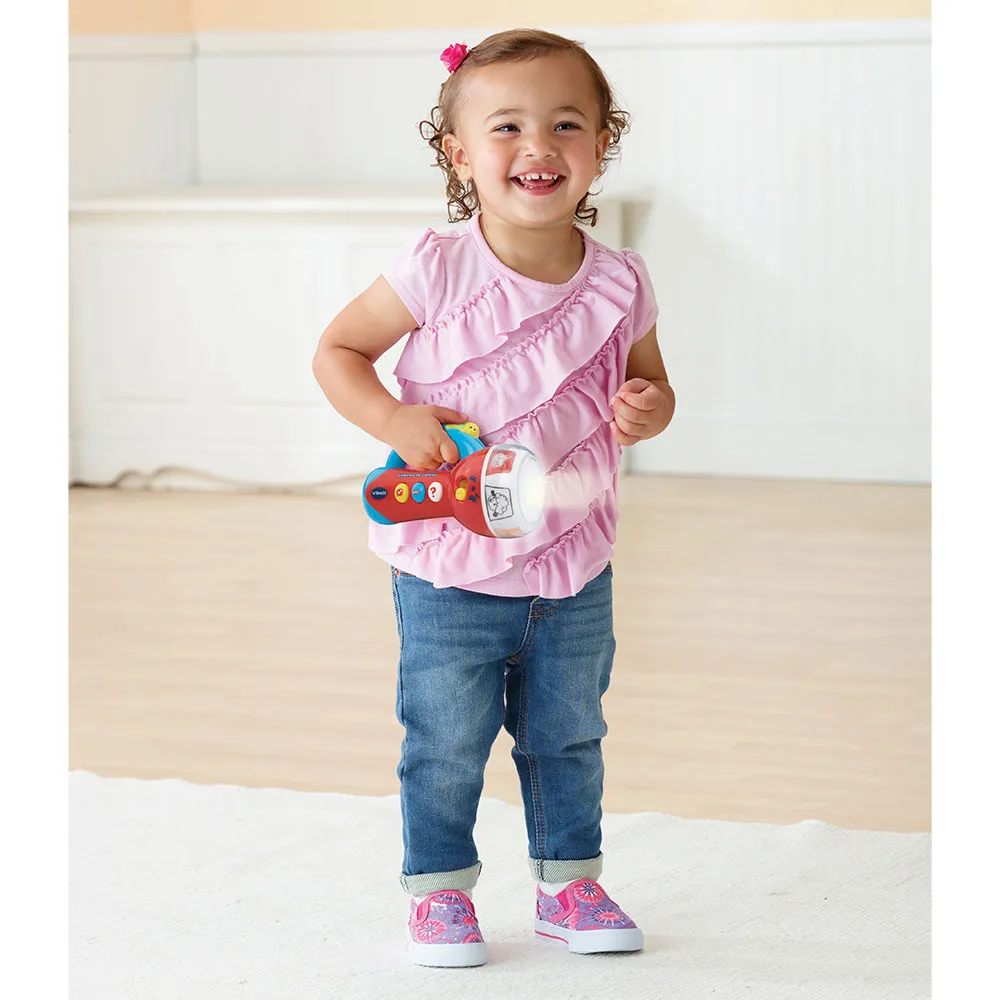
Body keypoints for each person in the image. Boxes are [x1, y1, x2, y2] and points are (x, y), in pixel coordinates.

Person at [312, 28, 675, 967]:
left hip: (574, 565)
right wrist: (394, 419)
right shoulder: (437, 266)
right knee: (445, 738)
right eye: (507, 126)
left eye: (566, 124)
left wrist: (648, 406)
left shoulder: (621, 281)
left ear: (602, 144)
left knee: (570, 733)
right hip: (450, 568)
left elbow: (653, 383)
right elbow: (339, 351)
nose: (538, 146)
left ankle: (568, 884)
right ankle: (439, 890)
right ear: (459, 154)